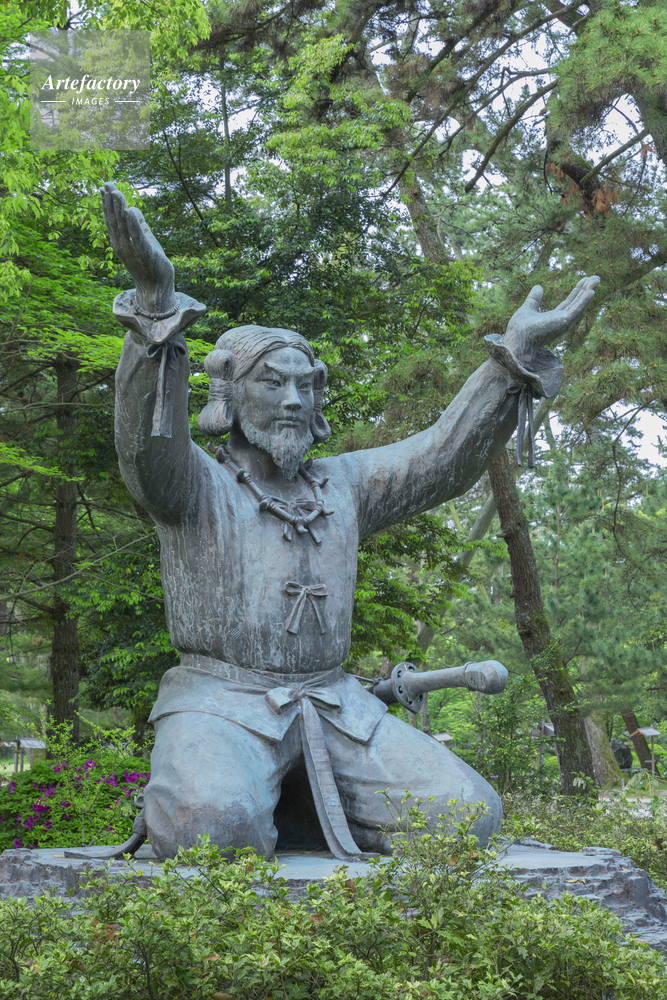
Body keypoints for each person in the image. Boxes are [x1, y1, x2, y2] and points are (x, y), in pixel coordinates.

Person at [102, 181, 599, 860]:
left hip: (338, 708)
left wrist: (511, 361)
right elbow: (145, 447)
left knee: (466, 817)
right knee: (210, 828)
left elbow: (442, 459)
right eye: (272, 382)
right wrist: (156, 306)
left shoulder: (344, 484)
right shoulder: (195, 485)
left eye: (305, 385)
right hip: (219, 705)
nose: (292, 399)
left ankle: (301, 809)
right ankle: (255, 799)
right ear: (229, 393)